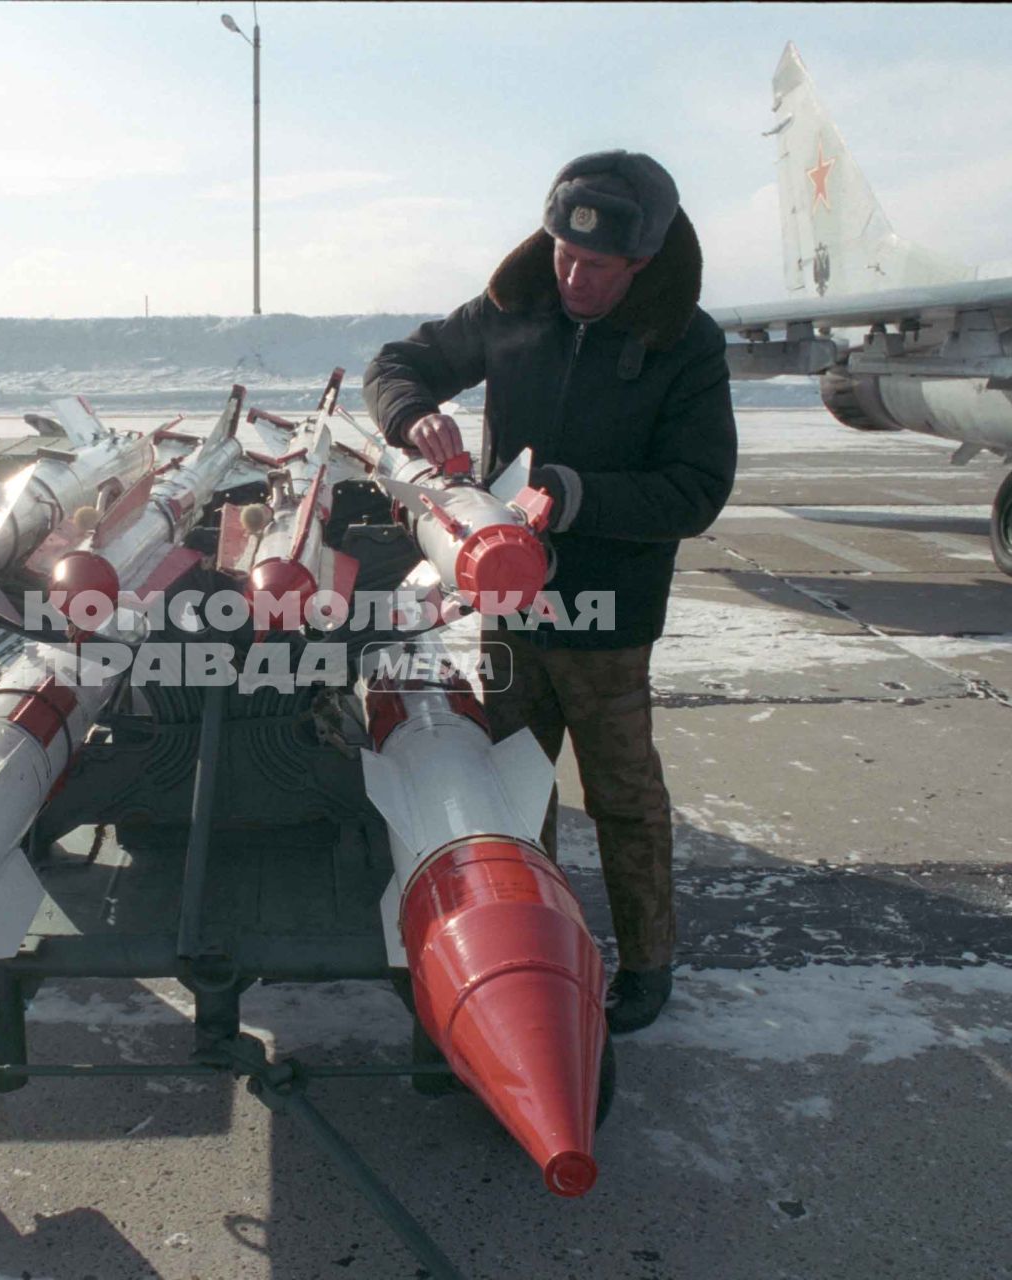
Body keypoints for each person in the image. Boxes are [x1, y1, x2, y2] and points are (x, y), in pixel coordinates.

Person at [363, 150, 737, 1033]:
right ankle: (530, 948)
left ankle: (648, 960)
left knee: (624, 796)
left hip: (607, 622)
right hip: (512, 609)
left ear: (640, 263)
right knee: (510, 786)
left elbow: (697, 489)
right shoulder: (515, 305)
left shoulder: (683, 341)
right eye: (564, 256)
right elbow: (396, 362)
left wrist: (577, 495)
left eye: (598, 268)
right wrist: (410, 412)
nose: (573, 279)